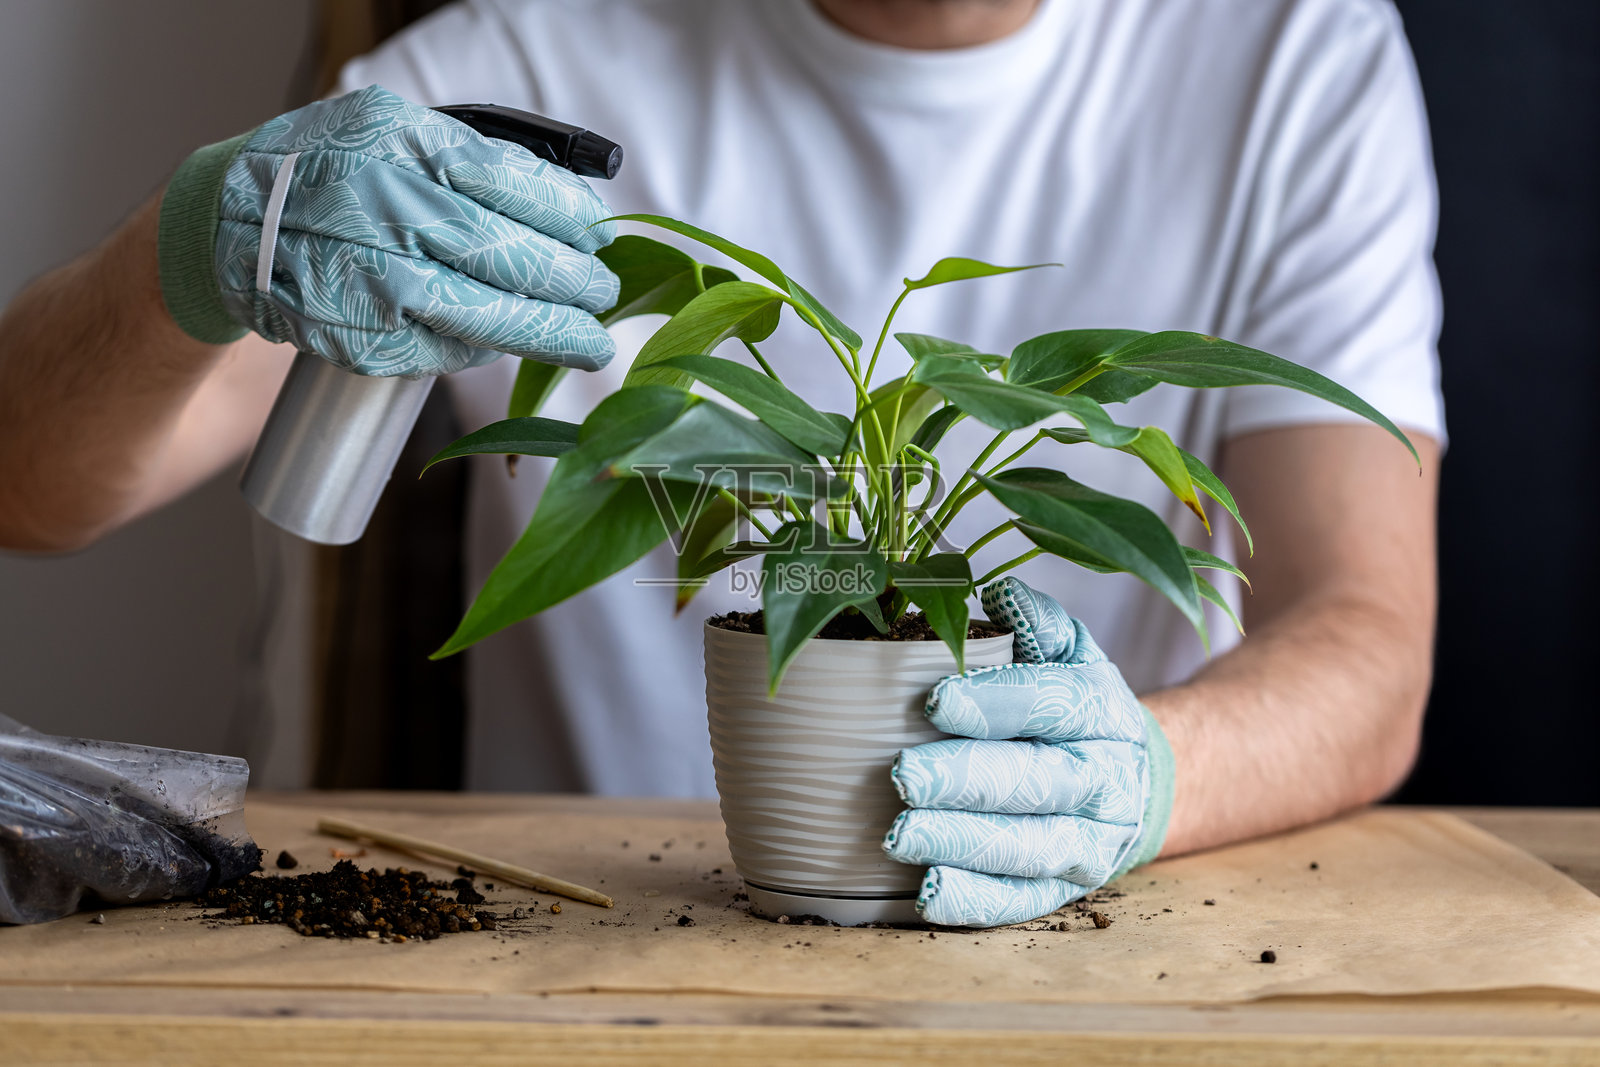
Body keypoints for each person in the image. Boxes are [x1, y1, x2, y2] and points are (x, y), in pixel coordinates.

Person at [0, 0, 1442, 927]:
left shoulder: (1292, 52)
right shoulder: (515, 67)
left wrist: (1140, 783)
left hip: (1066, 944)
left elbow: (1365, 636)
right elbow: (31, 486)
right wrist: (195, 245)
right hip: (576, 937)